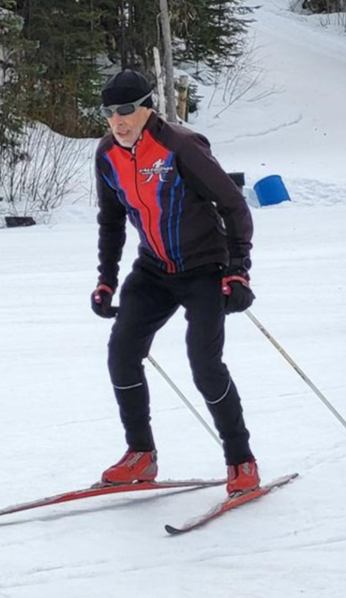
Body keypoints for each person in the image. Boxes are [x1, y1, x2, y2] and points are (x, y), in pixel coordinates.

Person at [90, 69, 259, 496]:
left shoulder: (180, 146)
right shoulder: (107, 154)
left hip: (204, 268)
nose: (118, 120)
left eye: (126, 110)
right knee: (122, 352)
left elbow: (234, 206)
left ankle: (241, 460)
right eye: (109, 112)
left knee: (204, 365)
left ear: (148, 107)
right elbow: (111, 222)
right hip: (153, 270)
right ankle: (140, 456)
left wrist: (238, 269)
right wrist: (106, 280)